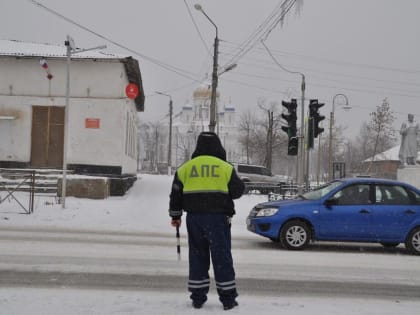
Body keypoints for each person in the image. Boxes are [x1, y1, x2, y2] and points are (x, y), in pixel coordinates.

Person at [169, 131, 245, 311]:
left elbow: (176, 194)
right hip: (218, 219)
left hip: (194, 219)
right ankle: (227, 298)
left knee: (197, 255)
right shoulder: (225, 167)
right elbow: (237, 191)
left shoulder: (186, 168)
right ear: (218, 146)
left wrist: (175, 216)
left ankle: (197, 297)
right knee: (222, 257)